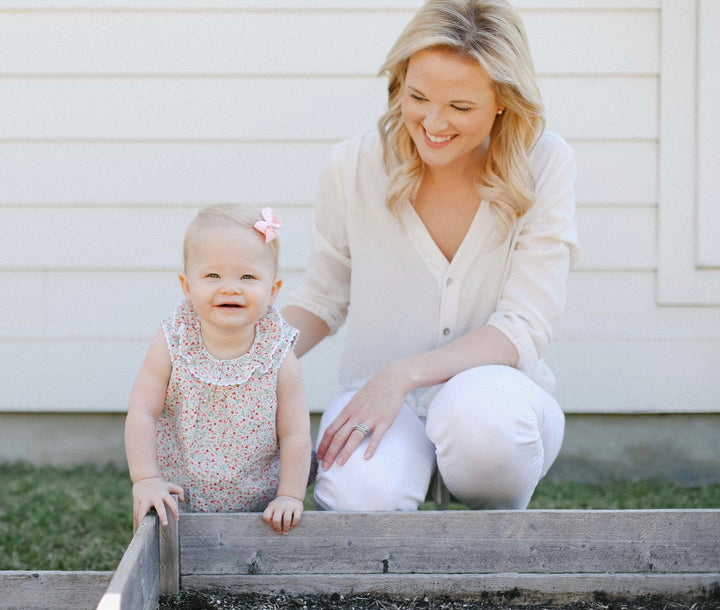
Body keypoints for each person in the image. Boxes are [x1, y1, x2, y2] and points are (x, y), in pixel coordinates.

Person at [282, 0, 579, 511]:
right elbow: (322, 297)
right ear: (400, 79)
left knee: (486, 428)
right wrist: (237, 357)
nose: (433, 123)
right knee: (361, 500)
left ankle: (493, 540)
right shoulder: (352, 164)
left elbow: (523, 326)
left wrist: (403, 374)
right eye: (418, 97)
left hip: (497, 398)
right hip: (375, 399)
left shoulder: (546, 163)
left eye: (461, 108)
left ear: (503, 101)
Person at [125, 204, 312, 534]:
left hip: (259, 505)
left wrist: (290, 496)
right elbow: (142, 411)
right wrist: (146, 479)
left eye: (248, 276)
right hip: (177, 495)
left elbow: (294, 433)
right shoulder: (174, 340)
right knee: (174, 562)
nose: (230, 287)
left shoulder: (277, 352)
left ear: (272, 291)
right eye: (213, 275)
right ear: (187, 286)